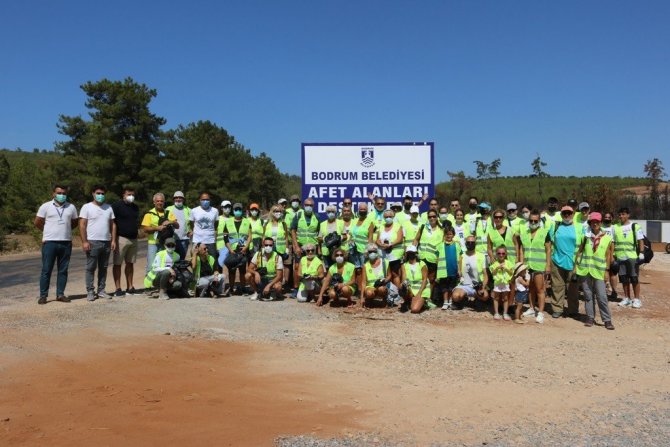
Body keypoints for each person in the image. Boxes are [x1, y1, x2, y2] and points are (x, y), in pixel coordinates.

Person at [34, 184, 79, 304]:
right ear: (53, 194)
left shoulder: (71, 207)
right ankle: (43, 296)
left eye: (64, 193)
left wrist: (65, 230)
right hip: (50, 242)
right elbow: (37, 222)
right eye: (59, 193)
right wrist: (47, 231)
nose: (61, 195)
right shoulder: (46, 206)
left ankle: (60, 294)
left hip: (66, 242)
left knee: (63, 270)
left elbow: (75, 222)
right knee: (46, 270)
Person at [575, 213, 615, 329]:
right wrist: (576, 266)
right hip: (585, 270)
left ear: (601, 223)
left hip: (599, 271)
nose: (595, 224)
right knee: (588, 295)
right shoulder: (585, 236)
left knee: (602, 296)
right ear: (590, 223)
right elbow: (579, 251)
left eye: (597, 221)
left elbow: (608, 255)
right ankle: (590, 317)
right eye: (593, 222)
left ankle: (607, 320)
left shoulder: (607, 238)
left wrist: (607, 270)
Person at [79, 185, 117, 301]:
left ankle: (101, 290)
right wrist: (84, 241)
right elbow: (82, 225)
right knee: (91, 268)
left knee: (103, 268)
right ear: (93, 193)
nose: (100, 195)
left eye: (102, 193)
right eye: (98, 193)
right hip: (92, 242)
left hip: (106, 242)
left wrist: (113, 240)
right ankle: (90, 291)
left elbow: (113, 225)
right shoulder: (86, 207)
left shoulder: (108, 207)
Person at [515, 209, 552, 324]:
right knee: (530, 289)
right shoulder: (525, 232)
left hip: (539, 266)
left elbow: (548, 250)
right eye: (531, 220)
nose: (533, 222)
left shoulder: (544, 232)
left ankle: (540, 313)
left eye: (535, 221)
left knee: (540, 290)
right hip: (528, 266)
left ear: (539, 221)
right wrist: (521, 264)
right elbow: (522, 249)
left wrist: (548, 265)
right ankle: (531, 309)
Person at [548, 205, 583, 318]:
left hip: (573, 263)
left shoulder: (579, 227)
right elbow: (549, 243)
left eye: (569, 213)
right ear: (561, 214)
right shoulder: (555, 226)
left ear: (573, 214)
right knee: (557, 286)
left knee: (573, 288)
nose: (567, 215)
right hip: (556, 261)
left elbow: (583, 245)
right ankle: (557, 309)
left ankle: (573, 310)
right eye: (564, 213)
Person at [614, 207, 645, 309]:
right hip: (620, 257)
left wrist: (641, 253)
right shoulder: (615, 227)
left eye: (623, 214)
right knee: (623, 278)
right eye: (619, 214)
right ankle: (627, 298)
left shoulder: (635, 226)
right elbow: (613, 242)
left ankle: (636, 299)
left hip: (632, 256)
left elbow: (641, 240)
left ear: (628, 215)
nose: (621, 216)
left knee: (634, 278)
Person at [111, 187, 140, 297]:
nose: (131, 196)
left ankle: (130, 287)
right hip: (121, 238)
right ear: (123, 195)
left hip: (134, 239)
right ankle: (118, 288)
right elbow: (112, 223)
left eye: (132, 195)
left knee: (130, 263)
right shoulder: (116, 206)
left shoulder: (135, 207)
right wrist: (113, 239)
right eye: (128, 194)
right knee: (117, 264)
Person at [141, 192, 179, 274]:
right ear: (154, 202)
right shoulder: (149, 214)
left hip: (166, 244)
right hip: (153, 243)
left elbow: (177, 226)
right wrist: (156, 228)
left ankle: (162, 280)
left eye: (161, 201)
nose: (160, 203)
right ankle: (149, 281)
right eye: (157, 201)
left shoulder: (168, 213)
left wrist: (170, 222)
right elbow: (145, 229)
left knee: (164, 264)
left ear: (164, 202)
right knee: (151, 265)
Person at [290, 197, 320, 297]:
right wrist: (296, 246)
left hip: (312, 248)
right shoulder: (298, 215)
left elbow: (319, 232)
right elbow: (293, 230)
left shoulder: (317, 216)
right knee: (297, 267)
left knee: (312, 267)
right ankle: (296, 288)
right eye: (307, 205)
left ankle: (311, 288)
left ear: (313, 206)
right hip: (300, 246)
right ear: (303, 206)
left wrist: (318, 248)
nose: (308, 207)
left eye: (310, 205)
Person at [413, 210, 443, 301]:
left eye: (434, 216)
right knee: (422, 278)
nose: (432, 218)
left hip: (433, 258)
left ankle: (428, 298)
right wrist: (413, 250)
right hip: (421, 257)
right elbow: (416, 239)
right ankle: (419, 297)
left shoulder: (442, 229)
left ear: (437, 217)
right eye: (430, 217)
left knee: (431, 279)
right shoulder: (423, 227)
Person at [451, 235, 489, 307]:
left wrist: (483, 287)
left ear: (475, 244)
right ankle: (464, 299)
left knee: (485, 296)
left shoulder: (481, 256)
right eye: (468, 242)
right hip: (464, 285)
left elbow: (485, 275)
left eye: (472, 242)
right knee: (456, 296)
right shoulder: (461, 256)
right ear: (465, 243)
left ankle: (476, 299)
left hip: (477, 286)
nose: (470, 244)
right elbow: (459, 272)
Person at [224, 202, 252, 295]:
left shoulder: (247, 222)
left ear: (242, 210)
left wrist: (246, 247)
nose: (238, 211)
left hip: (243, 249)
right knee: (231, 270)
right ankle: (231, 288)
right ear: (233, 210)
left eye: (239, 209)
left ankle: (243, 288)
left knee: (242, 270)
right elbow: (225, 238)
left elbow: (250, 236)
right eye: (236, 209)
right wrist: (230, 250)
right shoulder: (228, 222)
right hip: (232, 250)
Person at [246, 237, 284, 301]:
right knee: (248, 275)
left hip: (272, 280)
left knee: (278, 287)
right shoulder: (258, 254)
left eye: (270, 245)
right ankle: (257, 292)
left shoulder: (278, 257)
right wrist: (256, 273)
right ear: (263, 245)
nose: (268, 247)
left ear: (273, 245)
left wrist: (269, 285)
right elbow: (249, 269)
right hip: (261, 279)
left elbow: (279, 276)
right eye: (266, 245)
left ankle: (273, 293)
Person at [190, 192, 219, 270]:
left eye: (207, 199)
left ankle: (212, 276)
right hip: (197, 240)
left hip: (210, 241)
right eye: (203, 199)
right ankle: (197, 277)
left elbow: (216, 224)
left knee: (212, 262)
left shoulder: (215, 211)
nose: (205, 201)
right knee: (195, 262)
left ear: (210, 200)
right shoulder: (194, 210)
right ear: (200, 200)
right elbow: (192, 223)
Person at [263, 205, 290, 291]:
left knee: (279, 268)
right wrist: (263, 247)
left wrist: (287, 248)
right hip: (269, 248)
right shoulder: (267, 223)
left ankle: (279, 287)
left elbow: (286, 237)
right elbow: (263, 236)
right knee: (270, 267)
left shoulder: (283, 224)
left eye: (279, 211)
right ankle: (269, 285)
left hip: (280, 249)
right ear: (272, 212)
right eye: (276, 211)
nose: (278, 213)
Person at [375, 209, 404, 287]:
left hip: (395, 255)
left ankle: (397, 292)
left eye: (390, 216)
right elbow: (377, 239)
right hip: (383, 255)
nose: (388, 218)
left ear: (393, 217)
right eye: (386, 217)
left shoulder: (398, 226)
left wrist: (390, 244)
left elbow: (400, 239)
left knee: (395, 274)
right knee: (385, 274)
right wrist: (381, 245)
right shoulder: (381, 226)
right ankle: (387, 292)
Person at [400, 245, 433, 313]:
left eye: (412, 253)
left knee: (415, 309)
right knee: (402, 286)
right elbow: (404, 280)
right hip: (411, 290)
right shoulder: (404, 265)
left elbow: (424, 280)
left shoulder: (422, 264)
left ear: (415, 253)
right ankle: (408, 301)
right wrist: (408, 290)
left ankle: (424, 303)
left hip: (422, 290)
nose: (410, 254)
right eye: (409, 253)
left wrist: (419, 293)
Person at [435, 227, 461, 311]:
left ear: (453, 235)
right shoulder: (440, 245)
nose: (449, 236)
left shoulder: (457, 245)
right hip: (443, 271)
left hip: (453, 270)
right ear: (444, 235)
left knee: (451, 287)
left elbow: (460, 258)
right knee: (444, 288)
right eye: (447, 234)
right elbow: (437, 258)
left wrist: (459, 270)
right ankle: (445, 302)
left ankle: (450, 301)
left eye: (450, 234)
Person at [360, 243, 392, 308]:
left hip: (381, 286)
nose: (372, 253)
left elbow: (389, 275)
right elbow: (363, 282)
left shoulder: (384, 262)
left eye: (374, 251)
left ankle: (384, 299)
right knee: (369, 293)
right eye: (370, 252)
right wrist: (362, 297)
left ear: (377, 252)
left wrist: (384, 281)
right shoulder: (365, 265)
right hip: (370, 287)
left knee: (382, 289)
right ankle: (370, 299)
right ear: (367, 253)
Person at [490, 245, 514, 320]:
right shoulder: (494, 264)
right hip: (497, 283)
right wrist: (497, 268)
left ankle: (505, 313)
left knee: (505, 298)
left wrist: (506, 269)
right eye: (499, 253)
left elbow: (511, 273)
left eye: (503, 253)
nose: (501, 255)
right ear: (496, 254)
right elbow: (492, 273)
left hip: (505, 283)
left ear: (506, 254)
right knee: (496, 298)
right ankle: (496, 313)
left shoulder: (509, 263)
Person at [166, 191, 191, 261]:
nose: (178, 199)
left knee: (181, 260)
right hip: (171, 239)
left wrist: (191, 231)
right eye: (176, 197)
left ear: (183, 199)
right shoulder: (168, 209)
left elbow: (193, 222)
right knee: (171, 260)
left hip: (184, 239)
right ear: (173, 199)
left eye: (180, 197)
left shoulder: (188, 210)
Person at [349, 202, 374, 272]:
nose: (362, 211)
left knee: (364, 269)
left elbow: (370, 237)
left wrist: (368, 249)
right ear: (358, 210)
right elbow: (351, 234)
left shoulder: (370, 222)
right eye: (361, 209)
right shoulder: (354, 221)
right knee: (356, 269)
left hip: (363, 250)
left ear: (367, 210)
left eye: (364, 209)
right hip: (353, 250)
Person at [318, 205, 344, 269]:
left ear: (335, 213)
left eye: (332, 212)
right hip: (326, 252)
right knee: (328, 269)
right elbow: (319, 238)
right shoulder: (322, 224)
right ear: (326, 213)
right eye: (329, 212)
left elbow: (345, 236)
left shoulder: (341, 223)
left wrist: (338, 238)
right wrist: (325, 239)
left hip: (338, 252)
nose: (331, 213)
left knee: (338, 268)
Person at [600, 211, 618, 299]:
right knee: (602, 272)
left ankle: (614, 291)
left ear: (612, 218)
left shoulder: (614, 228)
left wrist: (612, 256)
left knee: (612, 273)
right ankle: (602, 292)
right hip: (601, 254)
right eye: (605, 217)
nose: (607, 219)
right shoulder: (600, 227)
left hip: (611, 254)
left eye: (609, 217)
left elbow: (613, 242)